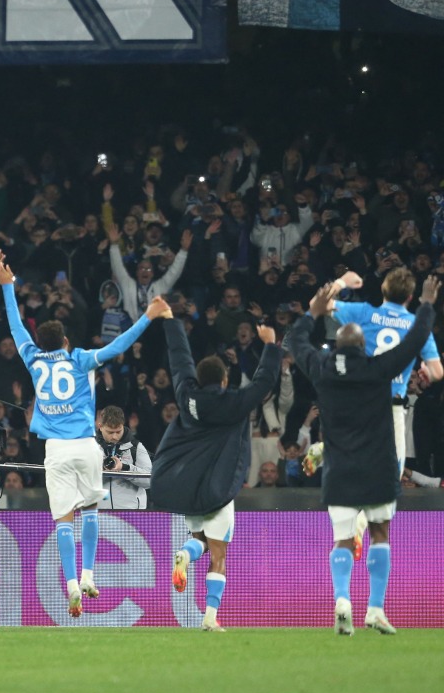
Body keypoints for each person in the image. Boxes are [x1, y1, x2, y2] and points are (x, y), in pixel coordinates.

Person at [0, 261, 165, 617]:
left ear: (39, 341)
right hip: (87, 446)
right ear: (66, 342)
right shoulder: (82, 359)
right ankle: (88, 574)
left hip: (55, 451)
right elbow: (118, 346)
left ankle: (71, 584)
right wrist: (147, 316)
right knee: (90, 511)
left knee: (63, 520)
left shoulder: (33, 359)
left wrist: (7, 286)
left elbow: (14, 324)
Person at [285, 277, 438, 636]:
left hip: (338, 469)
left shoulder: (321, 368)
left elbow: (294, 340)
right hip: (379, 466)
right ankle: (375, 609)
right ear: (363, 347)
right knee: (380, 533)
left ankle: (341, 599)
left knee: (341, 539)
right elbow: (415, 340)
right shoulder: (379, 368)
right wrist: (428, 303)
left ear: (336, 344)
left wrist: (313, 312)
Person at [151, 309, 280, 632]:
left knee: (199, 539)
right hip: (218, 489)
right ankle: (210, 617)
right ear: (224, 381)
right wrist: (271, 346)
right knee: (218, 554)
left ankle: (184, 552)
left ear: (200, 378)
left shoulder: (186, 395)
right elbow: (264, 380)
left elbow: (179, 359)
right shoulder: (236, 401)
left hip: (187, 486)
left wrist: (170, 321)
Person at [328, 267, 443, 557]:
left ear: (383, 291)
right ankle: (363, 525)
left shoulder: (364, 313)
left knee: (351, 463)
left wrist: (343, 282)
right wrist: (423, 369)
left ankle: (348, 522)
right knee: (389, 476)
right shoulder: (417, 324)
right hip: (390, 410)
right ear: (410, 296)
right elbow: (437, 372)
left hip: (357, 404)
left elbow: (323, 303)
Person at [95, 406, 151, 510]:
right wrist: (99, 469)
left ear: (123, 426)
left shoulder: (136, 447)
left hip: (131, 514)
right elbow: (79, 480)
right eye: (110, 432)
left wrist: (125, 468)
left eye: (118, 431)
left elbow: (149, 481)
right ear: (100, 426)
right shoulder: (89, 447)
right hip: (98, 513)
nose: (115, 436)